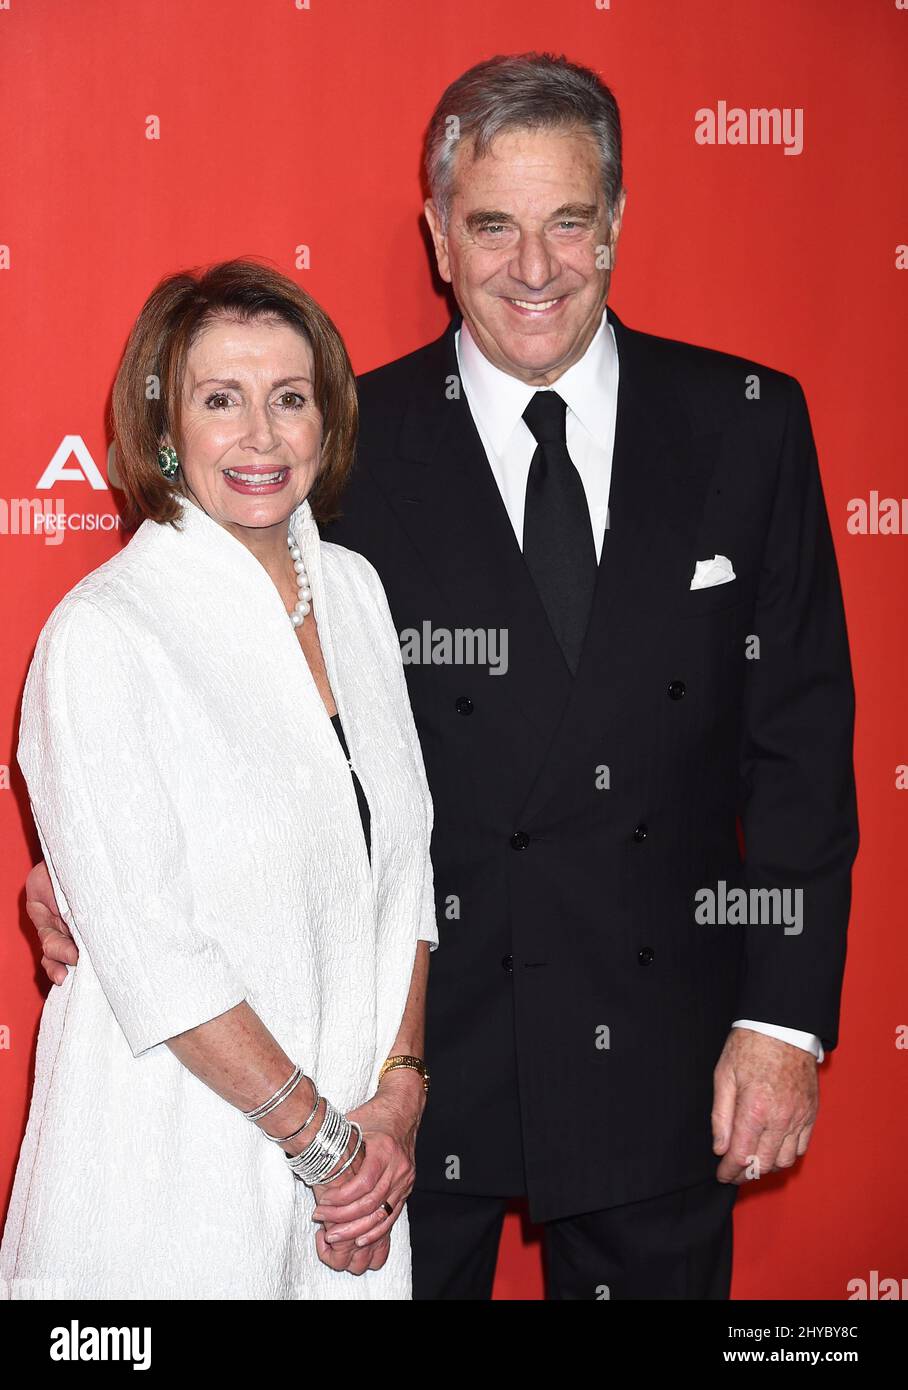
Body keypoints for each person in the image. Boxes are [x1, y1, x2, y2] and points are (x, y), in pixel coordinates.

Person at [25, 52, 859, 1301]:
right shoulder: (338, 447)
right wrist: (87, 880)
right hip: (401, 1076)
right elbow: (231, 705)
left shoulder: (746, 420)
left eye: (567, 221)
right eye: (491, 225)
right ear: (436, 235)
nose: (533, 266)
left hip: (660, 1050)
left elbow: (797, 744)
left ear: (616, 224)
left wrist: (783, 1022)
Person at [2, 260, 437, 1300]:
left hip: (352, 1185)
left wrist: (397, 1096)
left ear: (325, 424)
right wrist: (328, 1150)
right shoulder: (104, 634)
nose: (260, 436)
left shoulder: (356, 591)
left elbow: (406, 867)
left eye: (290, 399)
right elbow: (160, 959)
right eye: (219, 399)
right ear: (163, 430)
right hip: (168, 1174)